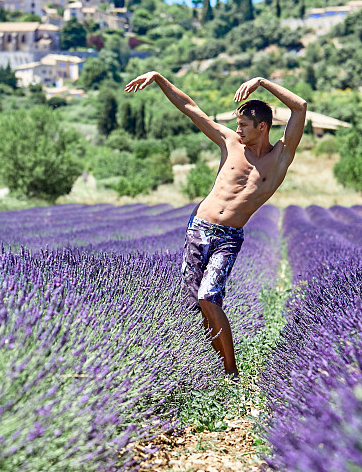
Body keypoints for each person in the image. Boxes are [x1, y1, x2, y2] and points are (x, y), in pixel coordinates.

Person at [124, 72, 307, 378]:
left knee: (208, 298)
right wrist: (158, 79)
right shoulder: (230, 142)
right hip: (198, 229)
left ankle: (231, 373)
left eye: (244, 125)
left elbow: (299, 107)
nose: (238, 129)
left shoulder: (280, 158)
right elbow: (190, 108)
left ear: (262, 127)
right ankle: (206, 368)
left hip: (228, 237)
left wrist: (262, 82)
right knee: (196, 305)